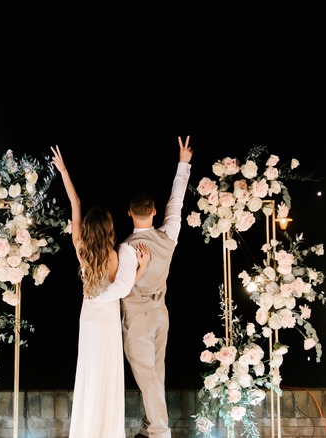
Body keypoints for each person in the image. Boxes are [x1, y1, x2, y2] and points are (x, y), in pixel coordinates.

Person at [50, 145, 150, 438]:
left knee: (89, 374)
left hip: (89, 318)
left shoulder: (80, 247)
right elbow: (123, 289)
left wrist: (64, 171)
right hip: (107, 321)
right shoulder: (114, 256)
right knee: (107, 374)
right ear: (108, 228)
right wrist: (142, 267)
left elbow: (75, 202)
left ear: (88, 229)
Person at [121, 136, 193, 438]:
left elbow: (121, 287)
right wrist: (183, 164)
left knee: (147, 376)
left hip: (138, 318)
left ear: (129, 213)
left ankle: (160, 432)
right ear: (153, 212)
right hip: (160, 313)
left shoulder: (125, 248)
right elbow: (176, 203)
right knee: (156, 373)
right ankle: (150, 427)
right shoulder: (167, 236)